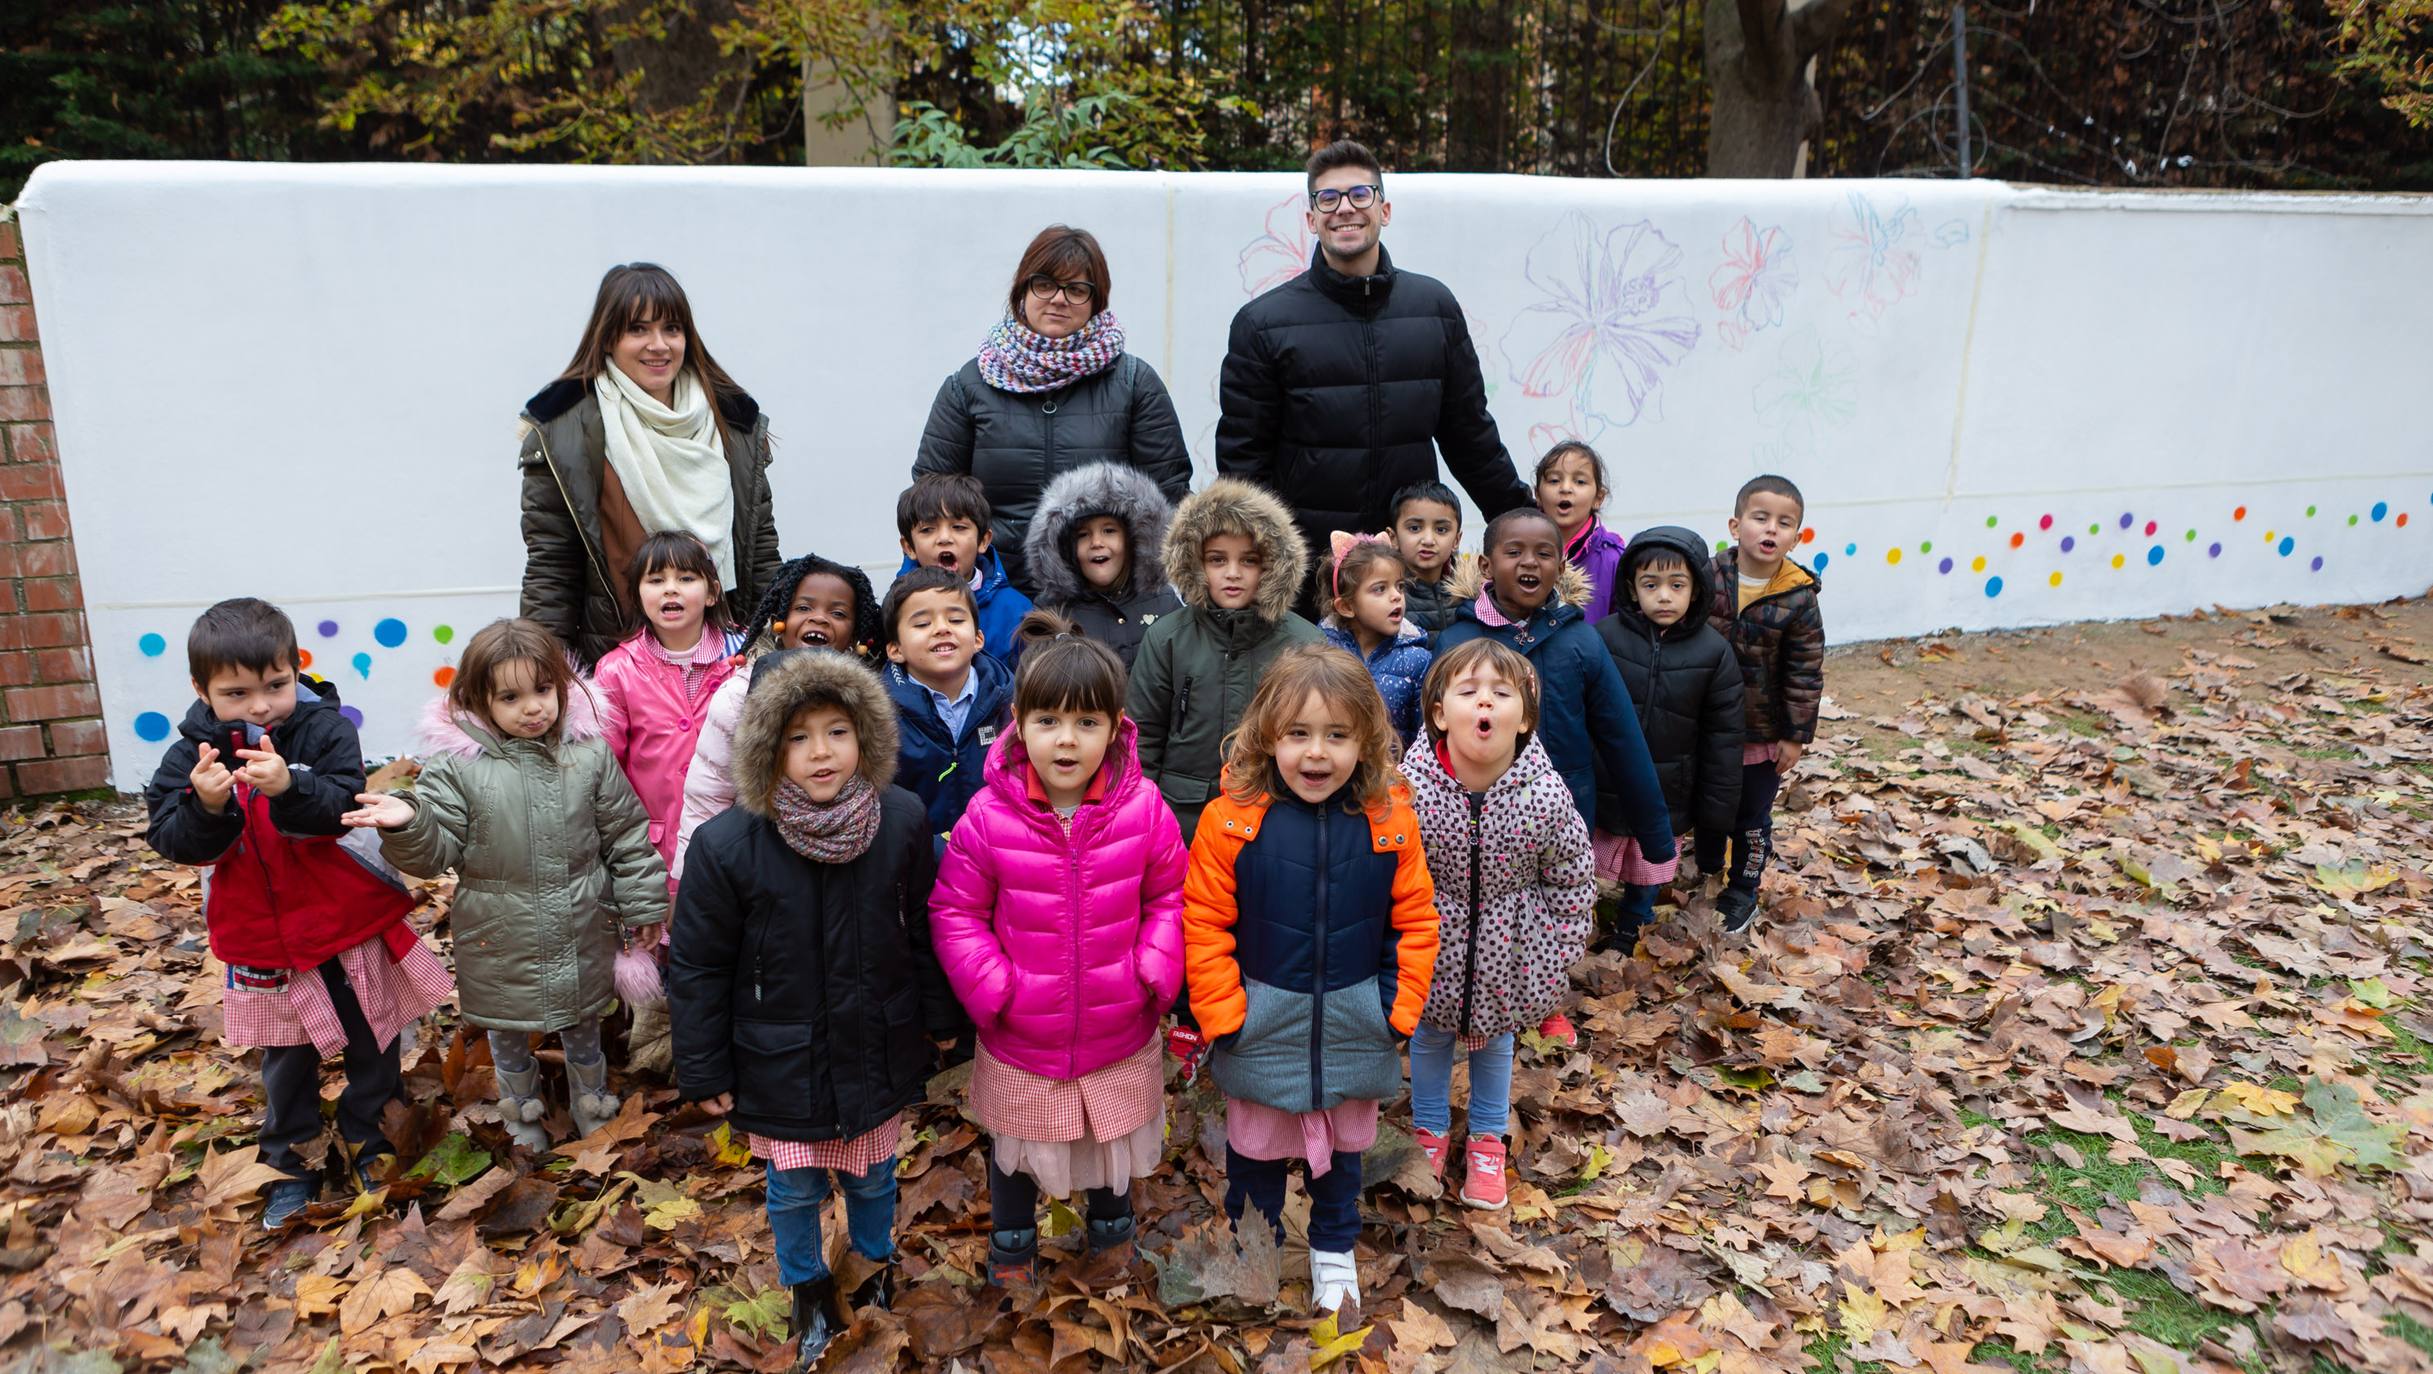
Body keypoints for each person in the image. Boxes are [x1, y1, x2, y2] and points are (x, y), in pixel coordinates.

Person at [668, 649, 959, 1366]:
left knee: (874, 1173)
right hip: (778, 1058)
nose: (821, 752)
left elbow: (922, 927)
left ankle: (870, 1273)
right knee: (793, 1186)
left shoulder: (900, 820)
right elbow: (700, 965)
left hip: (875, 1043)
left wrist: (940, 1017)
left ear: (866, 733)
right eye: (797, 737)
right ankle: (807, 1292)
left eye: (837, 731)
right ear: (767, 749)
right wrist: (703, 1067)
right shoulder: (726, 846)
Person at [143, 598, 451, 1228]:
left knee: (374, 1034)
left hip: (346, 919)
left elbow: (343, 802)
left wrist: (289, 787)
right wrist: (205, 807)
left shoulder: (325, 730)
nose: (261, 706)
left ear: (295, 670)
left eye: (277, 686)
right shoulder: (188, 758)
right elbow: (170, 838)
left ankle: (373, 1136)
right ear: (201, 690)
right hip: (263, 936)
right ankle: (291, 1158)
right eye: (237, 693)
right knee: (285, 1055)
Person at [927, 612, 1189, 1287]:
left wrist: (1153, 969)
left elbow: (1170, 896)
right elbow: (956, 910)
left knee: (1111, 1138)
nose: (1065, 741)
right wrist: (994, 989)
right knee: (1018, 1144)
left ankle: (1111, 1232)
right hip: (1023, 1026)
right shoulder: (988, 815)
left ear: (1115, 725)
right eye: (1047, 723)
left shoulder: (1145, 808)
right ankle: (1012, 1246)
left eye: (1086, 724)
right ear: (1018, 721)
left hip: (1117, 1018)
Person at [1183, 645, 1439, 1315]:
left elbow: (1413, 921)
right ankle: (1254, 1247)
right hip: (1262, 1019)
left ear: (1367, 741)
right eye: (1298, 734)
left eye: (1336, 735)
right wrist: (1225, 1014)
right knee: (1256, 1152)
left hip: (1357, 1019)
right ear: (1269, 734)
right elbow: (1205, 921)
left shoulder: (1387, 820)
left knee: (1344, 1154)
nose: (1316, 754)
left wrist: (1394, 1011)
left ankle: (1332, 1247)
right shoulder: (1232, 820)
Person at [344, 619, 664, 1149]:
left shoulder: (588, 755)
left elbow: (626, 835)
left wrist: (642, 903)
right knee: (506, 1023)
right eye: (510, 697)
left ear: (562, 686)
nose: (533, 708)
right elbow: (437, 849)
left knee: (585, 1016)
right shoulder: (458, 768)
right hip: (497, 928)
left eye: (543, 690)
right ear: (478, 700)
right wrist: (408, 821)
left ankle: (592, 1099)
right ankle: (520, 1108)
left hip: (582, 918)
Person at [1216, 139, 1532, 609]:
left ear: (1384, 210)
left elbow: (1470, 435)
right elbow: (1245, 468)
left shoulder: (1435, 309)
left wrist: (1522, 525)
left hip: (1410, 576)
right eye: (1329, 198)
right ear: (1311, 219)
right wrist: (1264, 573)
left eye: (1360, 195)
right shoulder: (1262, 323)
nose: (1345, 208)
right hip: (1311, 580)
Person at [1438, 508, 1675, 1045]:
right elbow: (1427, 735)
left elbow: (1622, 737)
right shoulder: (1455, 642)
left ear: (1560, 565)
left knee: (1555, 912)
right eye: (1513, 551)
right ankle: (1463, 1003)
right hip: (1470, 812)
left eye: (1544, 553)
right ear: (1486, 563)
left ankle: (1547, 1001)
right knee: (1473, 912)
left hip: (1560, 813)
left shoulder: (1580, 642)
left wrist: (1656, 836)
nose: (1529, 562)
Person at [1401, 639, 1596, 1209]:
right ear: (1440, 713)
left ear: (1524, 717)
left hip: (1514, 950)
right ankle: (1430, 1129)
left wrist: (1556, 953)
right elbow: (1387, 868)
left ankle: (1488, 1139)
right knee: (1430, 1036)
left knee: (1495, 1044)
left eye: (1500, 693)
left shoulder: (1545, 795)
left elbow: (1573, 877)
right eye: (1468, 691)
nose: (1484, 702)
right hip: (1431, 942)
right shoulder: (1410, 790)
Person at [520, 263, 780, 666]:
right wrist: (547, 675)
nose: (658, 345)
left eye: (672, 329)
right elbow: (552, 571)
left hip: (730, 663)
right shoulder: (564, 432)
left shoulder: (733, 422)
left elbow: (761, 556)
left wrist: (773, 657)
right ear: (607, 339)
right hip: (619, 670)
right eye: (638, 329)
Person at [914, 225, 1191, 596]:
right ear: (1022, 291)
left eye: (1077, 289)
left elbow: (1169, 497)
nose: (1059, 299)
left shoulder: (1134, 383)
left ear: (1097, 301)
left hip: (1104, 599)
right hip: (990, 598)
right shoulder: (968, 386)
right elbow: (931, 499)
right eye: (1045, 284)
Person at [1127, 478, 1323, 839]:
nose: (1232, 573)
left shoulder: (1304, 641)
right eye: (1218, 560)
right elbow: (1142, 738)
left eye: (1248, 560)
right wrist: (1143, 819)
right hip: (1182, 821)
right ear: (1195, 564)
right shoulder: (1168, 637)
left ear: (1271, 567)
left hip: (1276, 818)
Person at [1595, 527, 1744, 952]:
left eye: (1676, 585)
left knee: (1648, 862)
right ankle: (1577, 918)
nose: (1664, 596)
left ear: (1696, 590)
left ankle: (1632, 922)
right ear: (1631, 586)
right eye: (1651, 584)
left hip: (1669, 788)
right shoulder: (1604, 638)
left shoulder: (1714, 653)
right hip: (1607, 780)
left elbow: (1724, 740)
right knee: (1590, 854)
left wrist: (1716, 815)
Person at [1705, 476, 1824, 935]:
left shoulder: (1798, 596)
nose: (1771, 529)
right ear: (1736, 525)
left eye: (1785, 522)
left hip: (1761, 731)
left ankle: (1744, 889)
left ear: (1797, 535)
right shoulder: (1708, 576)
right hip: (1708, 724)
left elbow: (1805, 671)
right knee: (1709, 802)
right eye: (1760, 518)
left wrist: (1794, 734)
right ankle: (1708, 865)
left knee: (1750, 815)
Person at [592, 531, 740, 889]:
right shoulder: (617, 670)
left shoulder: (741, 659)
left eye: (686, 578)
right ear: (638, 595)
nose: (670, 589)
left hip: (734, 833)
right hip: (654, 847)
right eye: (656, 580)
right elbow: (605, 771)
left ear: (712, 593)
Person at [881, 566, 1014, 850]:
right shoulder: (878, 714)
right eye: (921, 624)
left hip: (999, 857)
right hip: (917, 864)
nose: (942, 628)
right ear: (895, 650)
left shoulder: (1011, 702)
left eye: (955, 619)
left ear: (978, 638)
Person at [1022, 461, 1183, 668]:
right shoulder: (1050, 611)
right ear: (1064, 547)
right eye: (1083, 535)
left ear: (1134, 539)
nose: (1097, 543)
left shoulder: (1164, 600)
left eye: (1109, 531)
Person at [895, 474, 1033, 670]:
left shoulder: (1016, 611)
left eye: (959, 527)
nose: (944, 538)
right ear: (908, 546)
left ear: (984, 540)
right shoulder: (897, 607)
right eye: (927, 530)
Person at [1318, 533, 1432, 749]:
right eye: (1380, 588)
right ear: (1347, 607)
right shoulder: (1321, 651)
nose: (1396, 596)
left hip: (1393, 778)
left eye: (1399, 586)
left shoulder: (1418, 659)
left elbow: (1424, 737)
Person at [1536, 440, 1625, 624]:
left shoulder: (1614, 560)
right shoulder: (1520, 554)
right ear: (1537, 495)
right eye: (1554, 480)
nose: (1565, 488)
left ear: (1598, 498)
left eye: (1580, 481)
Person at [1390, 481, 1469, 636]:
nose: (1428, 540)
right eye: (1414, 528)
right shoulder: (1387, 596)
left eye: (1441, 530)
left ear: (1456, 541)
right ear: (1393, 538)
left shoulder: (1472, 595)